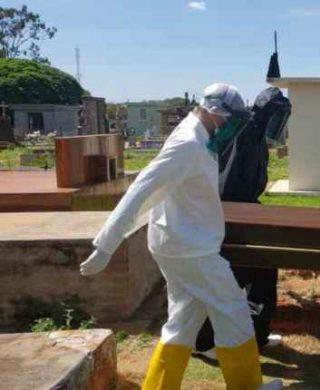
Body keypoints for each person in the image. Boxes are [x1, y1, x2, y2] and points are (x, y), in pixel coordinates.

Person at [80, 83, 282, 390]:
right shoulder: (187, 144)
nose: (234, 129)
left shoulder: (202, 137)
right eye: (233, 122)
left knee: (183, 321)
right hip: (190, 249)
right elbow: (141, 189)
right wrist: (107, 244)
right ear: (215, 114)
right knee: (234, 312)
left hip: (182, 242)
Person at [194, 87, 291, 362]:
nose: (278, 123)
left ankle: (257, 335)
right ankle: (205, 342)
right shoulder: (244, 132)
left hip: (246, 214)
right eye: (275, 116)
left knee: (264, 272)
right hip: (232, 217)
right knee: (230, 280)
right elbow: (228, 181)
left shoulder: (256, 134)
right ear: (262, 112)